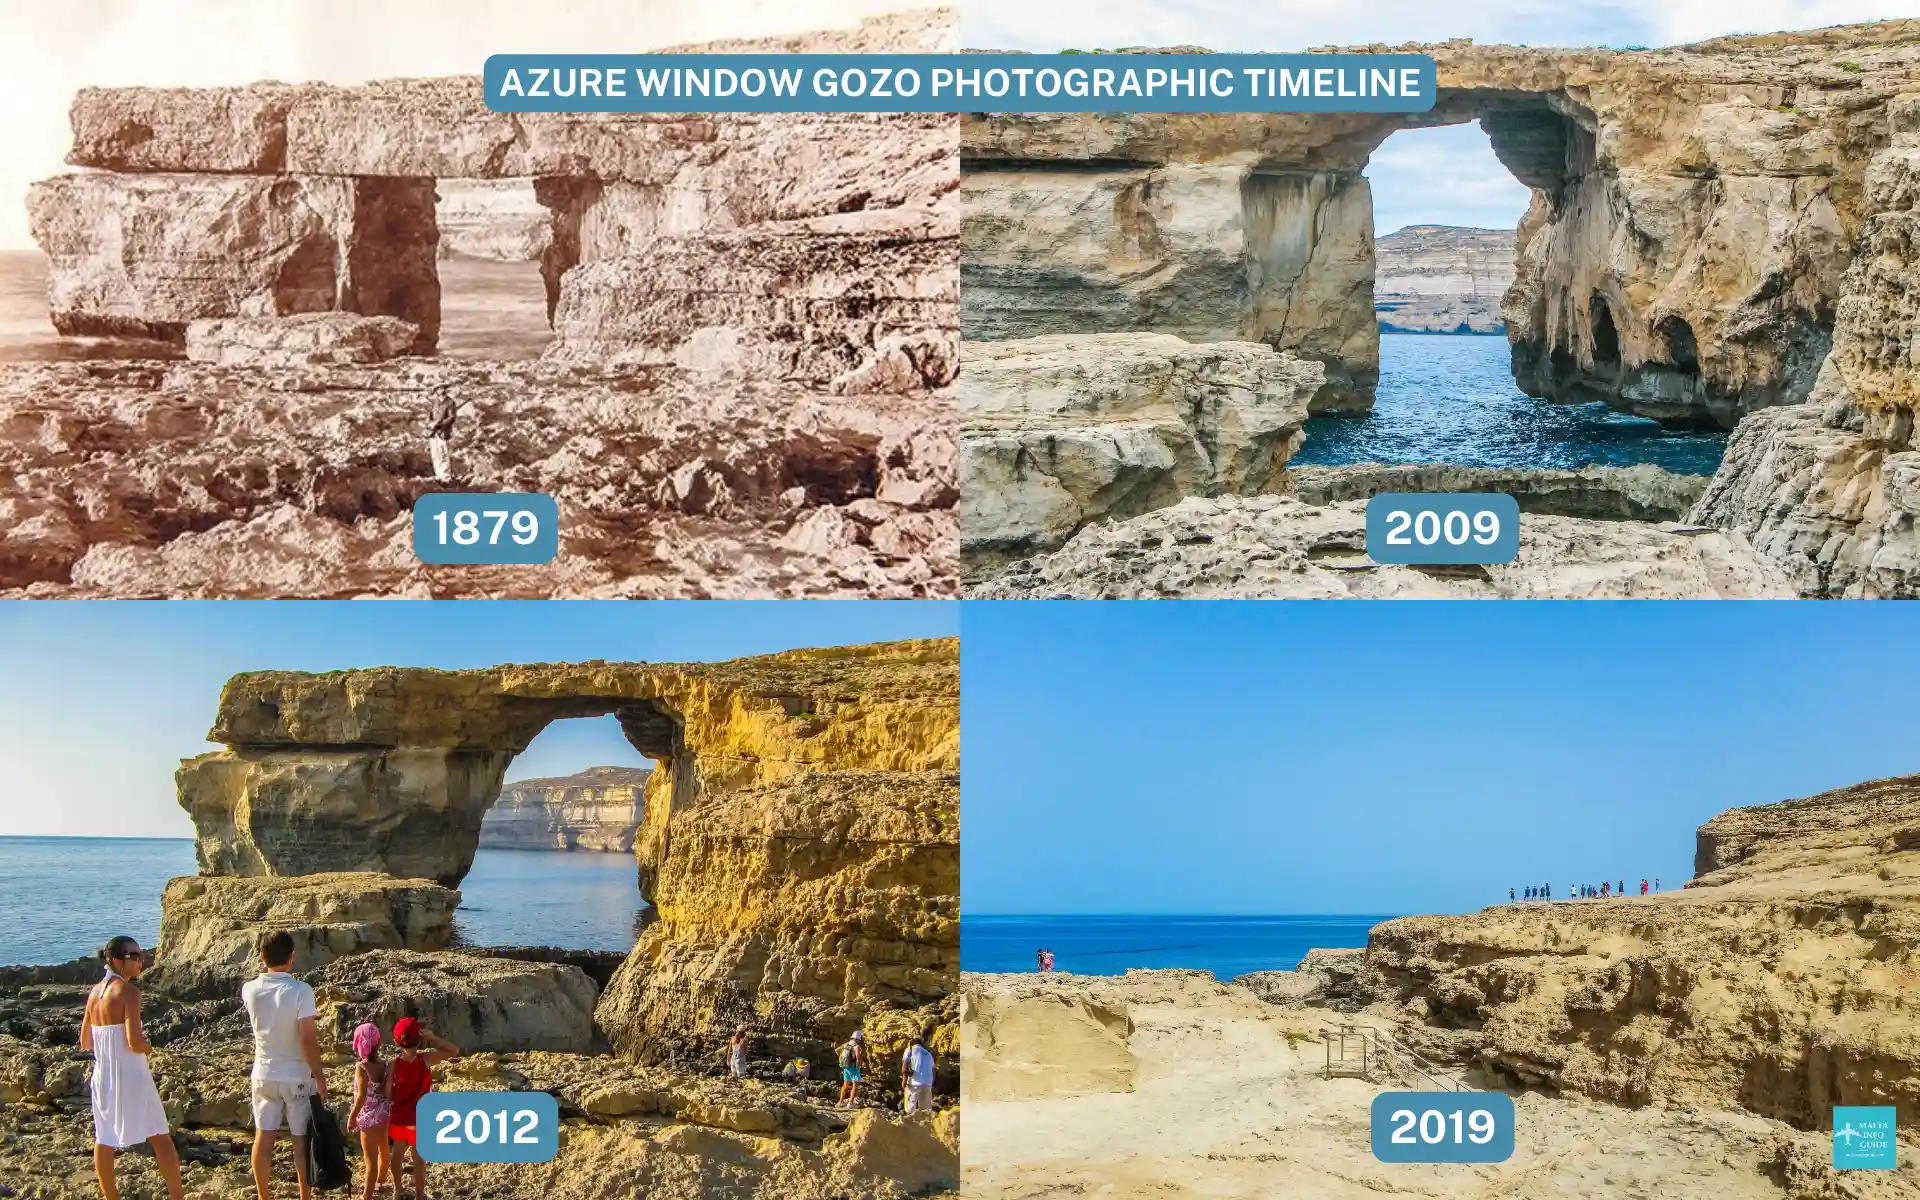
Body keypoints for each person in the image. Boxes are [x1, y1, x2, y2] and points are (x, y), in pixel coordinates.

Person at [82, 936, 185, 1200]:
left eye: (141, 955)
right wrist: (150, 1048)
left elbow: (86, 1041)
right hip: (130, 1075)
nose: (141, 961)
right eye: (135, 957)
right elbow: (134, 1042)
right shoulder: (129, 992)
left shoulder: (94, 993)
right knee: (161, 1138)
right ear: (117, 961)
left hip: (103, 1076)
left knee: (104, 1138)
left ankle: (111, 1197)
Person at [242, 931, 326, 1200]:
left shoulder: (249, 989)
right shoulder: (301, 991)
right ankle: (304, 1197)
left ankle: (263, 1196)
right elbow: (307, 1038)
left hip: (263, 1074)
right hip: (297, 1075)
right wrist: (320, 1075)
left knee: (263, 1138)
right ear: (292, 957)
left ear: (262, 956)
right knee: (300, 1142)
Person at [389, 1017, 460, 1200]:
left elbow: (388, 1093)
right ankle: (420, 1195)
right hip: (419, 1118)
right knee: (419, 1159)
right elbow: (453, 1050)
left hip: (399, 1116)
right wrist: (433, 1037)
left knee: (397, 1155)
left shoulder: (394, 1064)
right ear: (419, 1039)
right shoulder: (425, 1059)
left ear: (396, 1041)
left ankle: (398, 1190)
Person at [345, 1023, 396, 1200]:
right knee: (384, 1149)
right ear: (378, 1042)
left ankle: (367, 1195)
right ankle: (381, 1180)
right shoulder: (385, 1064)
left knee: (370, 1159)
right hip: (384, 1112)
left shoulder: (362, 1067)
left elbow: (361, 1095)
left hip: (368, 1116)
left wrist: (352, 1117)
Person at [901, 1029, 936, 1115]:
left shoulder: (910, 1049)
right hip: (927, 1083)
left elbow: (905, 1063)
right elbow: (933, 1070)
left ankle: (909, 1120)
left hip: (914, 1083)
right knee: (926, 1110)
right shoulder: (928, 1054)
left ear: (911, 1044)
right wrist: (931, 1083)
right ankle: (925, 1122)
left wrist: (904, 1079)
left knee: (910, 1107)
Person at [426, 389, 457, 482]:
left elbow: (451, 418)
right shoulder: (435, 402)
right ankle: (438, 475)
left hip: (443, 432)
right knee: (435, 454)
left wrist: (439, 424)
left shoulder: (450, 402)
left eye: (442, 388)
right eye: (439, 388)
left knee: (443, 454)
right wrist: (430, 423)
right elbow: (429, 415)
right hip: (433, 432)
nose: (441, 390)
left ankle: (446, 477)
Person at [837, 1030, 867, 1106]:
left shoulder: (846, 1044)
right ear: (859, 1038)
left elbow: (837, 1050)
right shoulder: (857, 1046)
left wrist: (842, 1059)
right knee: (855, 1086)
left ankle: (840, 1102)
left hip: (846, 1067)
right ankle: (850, 1103)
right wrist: (858, 1067)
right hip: (854, 1068)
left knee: (845, 1085)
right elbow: (858, 1059)